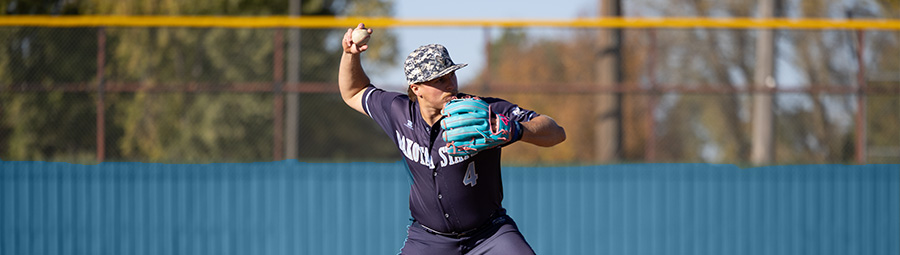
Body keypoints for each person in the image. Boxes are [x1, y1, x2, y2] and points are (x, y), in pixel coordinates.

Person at [338, 23, 566, 255]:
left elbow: (556, 132)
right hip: (428, 239)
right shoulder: (399, 113)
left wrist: (515, 129)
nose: (450, 84)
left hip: (489, 234)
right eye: (439, 80)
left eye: (451, 75)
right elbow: (354, 92)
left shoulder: (482, 111)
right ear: (416, 88)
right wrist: (350, 55)